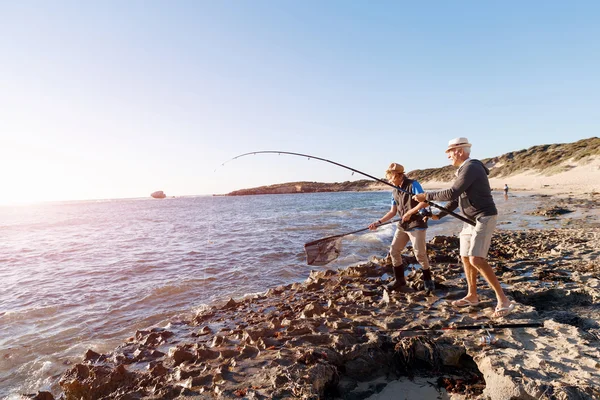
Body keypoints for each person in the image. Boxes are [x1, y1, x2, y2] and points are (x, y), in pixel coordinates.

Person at [413, 138, 514, 318]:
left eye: (449, 153)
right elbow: (456, 199)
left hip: (484, 217)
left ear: (459, 151)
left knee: (476, 258)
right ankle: (472, 295)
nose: (448, 157)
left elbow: (451, 192)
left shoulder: (471, 167)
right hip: (469, 221)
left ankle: (503, 300)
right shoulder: (464, 170)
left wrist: (426, 196)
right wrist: (439, 215)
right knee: (466, 257)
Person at [368, 163, 435, 293]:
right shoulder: (394, 191)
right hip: (403, 226)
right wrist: (378, 222)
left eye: (390, 177)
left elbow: (424, 202)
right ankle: (399, 279)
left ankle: (428, 280)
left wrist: (410, 212)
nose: (389, 180)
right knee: (394, 251)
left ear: (399, 175)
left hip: (417, 225)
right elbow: (393, 212)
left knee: (420, 254)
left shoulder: (413, 184)